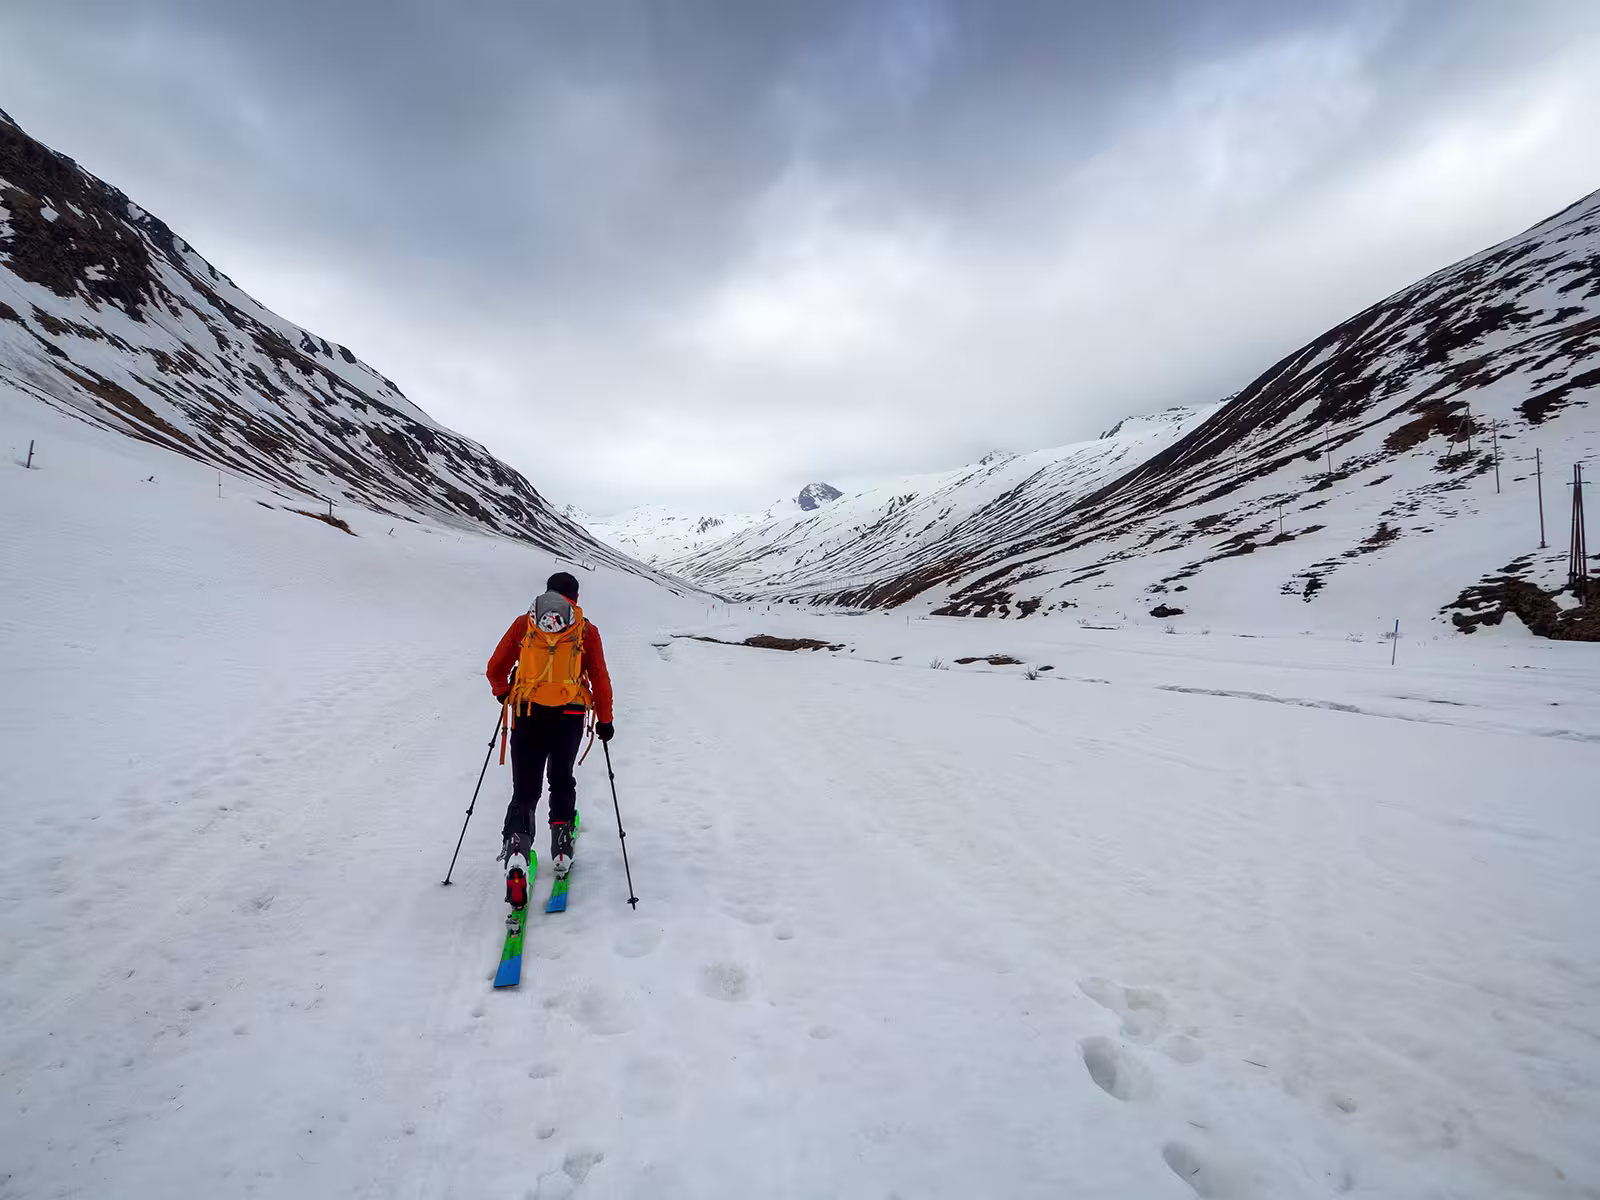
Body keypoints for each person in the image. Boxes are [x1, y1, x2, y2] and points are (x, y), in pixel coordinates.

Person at [485, 571, 614, 905]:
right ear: (575, 598)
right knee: (561, 779)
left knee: (525, 790)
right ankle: (561, 847)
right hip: (570, 717)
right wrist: (605, 720)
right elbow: (599, 678)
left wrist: (503, 693)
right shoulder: (585, 630)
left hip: (527, 714)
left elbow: (495, 667)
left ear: (547, 593)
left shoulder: (524, 625)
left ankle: (517, 851)